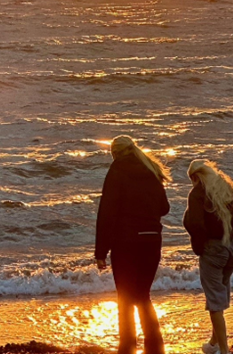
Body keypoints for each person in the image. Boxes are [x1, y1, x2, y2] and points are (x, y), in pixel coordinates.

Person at [95, 135, 171, 354]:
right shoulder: (151, 170)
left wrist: (101, 251)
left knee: (126, 297)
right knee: (143, 295)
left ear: (115, 153)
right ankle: (155, 346)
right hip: (152, 239)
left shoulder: (117, 170)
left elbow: (107, 211)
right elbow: (164, 208)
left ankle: (127, 346)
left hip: (126, 242)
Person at [184, 160, 233, 354]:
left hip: (213, 249)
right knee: (220, 294)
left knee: (215, 301)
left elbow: (196, 224)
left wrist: (200, 248)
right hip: (231, 248)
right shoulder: (227, 189)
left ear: (196, 176)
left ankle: (224, 350)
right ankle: (213, 344)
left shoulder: (197, 193)